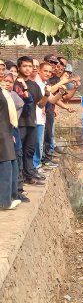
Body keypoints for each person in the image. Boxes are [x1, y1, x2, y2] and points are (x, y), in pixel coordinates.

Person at [16, 56, 50, 186]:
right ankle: (19, 179)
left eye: (30, 66)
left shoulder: (34, 85)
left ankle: (29, 176)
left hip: (32, 122)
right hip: (19, 123)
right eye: (25, 66)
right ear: (19, 67)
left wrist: (46, 95)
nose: (28, 68)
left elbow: (40, 105)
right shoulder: (15, 84)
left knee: (30, 150)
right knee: (19, 152)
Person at [1, 71, 21, 210]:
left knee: (12, 164)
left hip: (7, 131)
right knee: (6, 165)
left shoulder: (4, 93)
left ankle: (12, 196)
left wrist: (10, 131)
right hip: (1, 133)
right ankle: (4, 201)